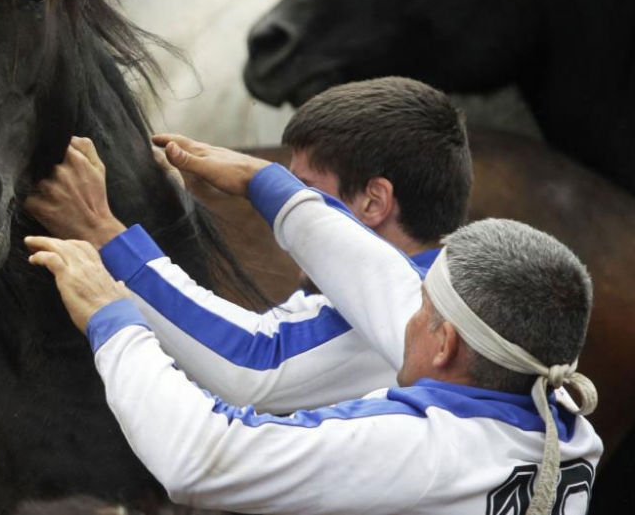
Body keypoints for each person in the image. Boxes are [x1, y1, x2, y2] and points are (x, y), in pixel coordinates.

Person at [24, 137, 601, 514]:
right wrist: (268, 185)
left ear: (446, 343)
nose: (405, 314)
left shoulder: (421, 450)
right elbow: (382, 284)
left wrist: (113, 319)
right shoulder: (563, 422)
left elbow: (201, 456)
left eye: (423, 309)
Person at [24, 77, 473, 412]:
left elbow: (253, 363)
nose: (294, 206)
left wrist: (99, 229)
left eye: (306, 189)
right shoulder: (436, 292)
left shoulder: (419, 315)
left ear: (374, 201)